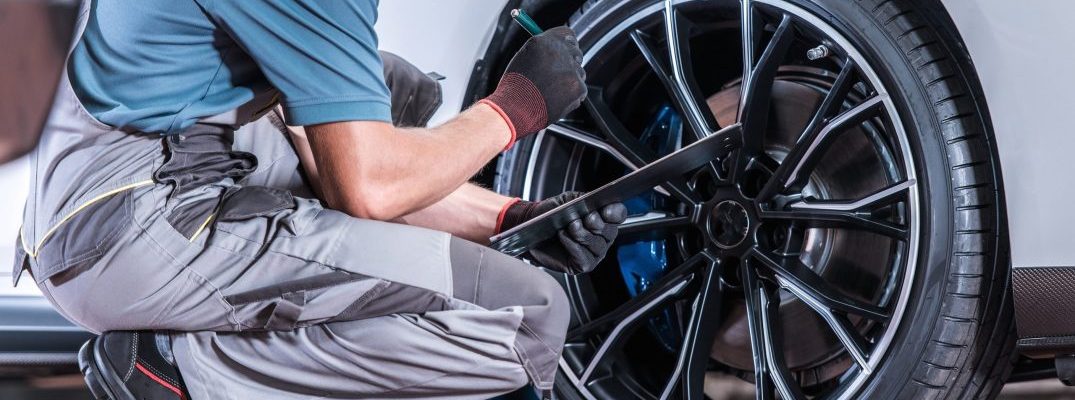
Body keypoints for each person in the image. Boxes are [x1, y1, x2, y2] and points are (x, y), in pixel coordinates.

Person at [14, 1, 627, 399]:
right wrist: (515, 109)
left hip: (111, 178)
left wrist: (509, 219)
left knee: (391, 89)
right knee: (525, 315)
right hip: (126, 230)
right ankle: (174, 370)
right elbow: (370, 187)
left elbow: (331, 162)